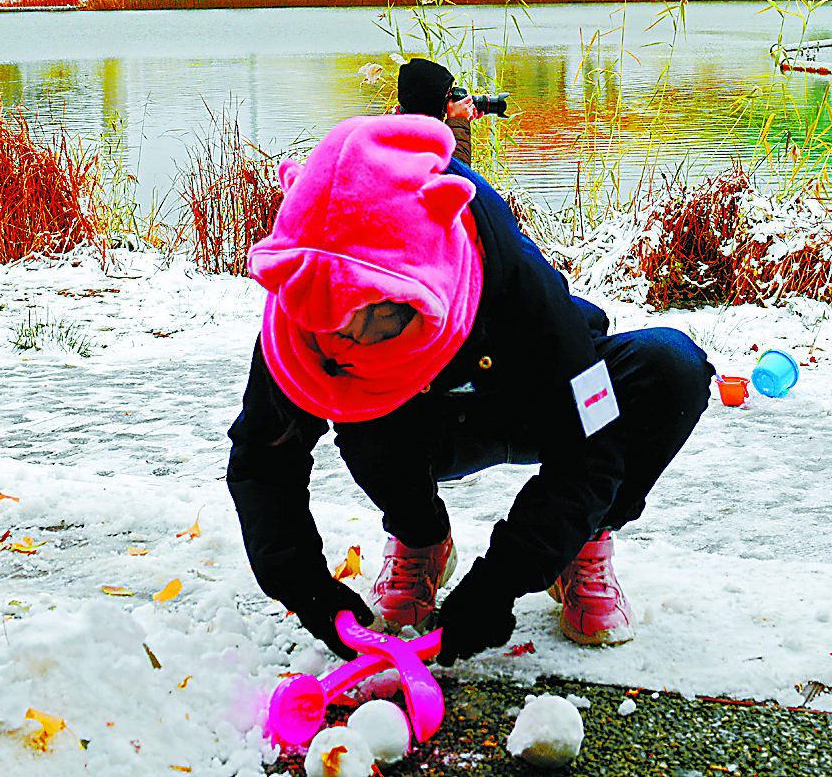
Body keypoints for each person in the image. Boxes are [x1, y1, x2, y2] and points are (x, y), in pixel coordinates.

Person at [226, 113, 712, 665]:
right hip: (424, 430)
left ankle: (583, 538)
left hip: (533, 402)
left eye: (370, 320)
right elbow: (263, 459)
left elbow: (590, 450)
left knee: (673, 368)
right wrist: (308, 592)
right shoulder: (304, 306)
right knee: (359, 408)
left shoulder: (515, 277)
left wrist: (500, 583)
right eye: (329, 328)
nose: (346, 345)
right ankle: (421, 536)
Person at [396, 55, 481, 164]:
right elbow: (455, 175)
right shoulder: (411, 141)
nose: (451, 99)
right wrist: (459, 122)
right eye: (447, 93)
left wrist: (462, 122)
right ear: (430, 100)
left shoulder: (399, 127)